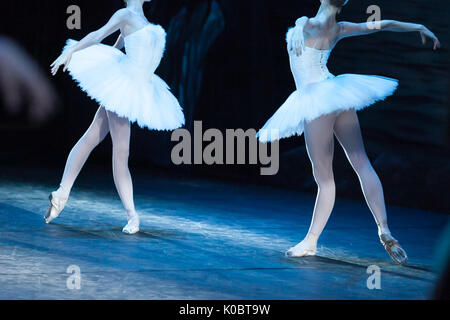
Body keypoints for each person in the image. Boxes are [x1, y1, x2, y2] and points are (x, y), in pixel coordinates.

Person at [257, 0, 440, 264]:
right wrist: (419, 25)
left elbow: (304, 23)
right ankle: (384, 230)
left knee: (325, 179)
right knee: (361, 161)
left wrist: (297, 24)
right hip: (337, 93)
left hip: (316, 100)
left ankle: (310, 241)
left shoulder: (307, 23)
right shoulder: (339, 28)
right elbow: (382, 25)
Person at [47, 0, 185, 234]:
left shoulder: (143, 22)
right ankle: (132, 216)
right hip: (124, 85)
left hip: (134, 85)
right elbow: (98, 34)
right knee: (121, 151)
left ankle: (60, 195)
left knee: (92, 137)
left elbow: (119, 45)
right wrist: (71, 51)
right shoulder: (125, 14)